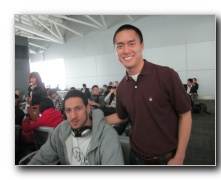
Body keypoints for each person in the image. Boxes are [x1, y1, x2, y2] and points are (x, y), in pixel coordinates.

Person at [104, 24, 192, 165]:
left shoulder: (166, 75)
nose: (126, 50)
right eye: (120, 46)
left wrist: (179, 157)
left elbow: (185, 115)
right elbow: (122, 116)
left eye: (131, 44)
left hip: (166, 159)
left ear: (141, 46)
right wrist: (97, 122)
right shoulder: (121, 88)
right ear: (115, 51)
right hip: (135, 158)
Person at [27, 90, 124, 165]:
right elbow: (40, 160)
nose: (73, 116)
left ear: (88, 108)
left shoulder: (107, 136)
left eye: (78, 108)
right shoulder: (61, 131)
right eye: (68, 110)